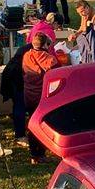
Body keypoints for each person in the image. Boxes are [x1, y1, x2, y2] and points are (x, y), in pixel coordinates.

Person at [22, 32, 60, 164]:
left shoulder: (27, 55)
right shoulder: (48, 58)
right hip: (41, 96)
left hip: (28, 93)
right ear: (45, 44)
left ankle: (34, 154)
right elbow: (58, 74)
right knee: (43, 124)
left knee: (32, 123)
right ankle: (41, 154)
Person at [0, 41, 33, 147]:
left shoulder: (26, 49)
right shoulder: (31, 52)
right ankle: (20, 135)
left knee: (19, 105)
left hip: (13, 77)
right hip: (16, 80)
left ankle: (21, 132)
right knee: (20, 105)